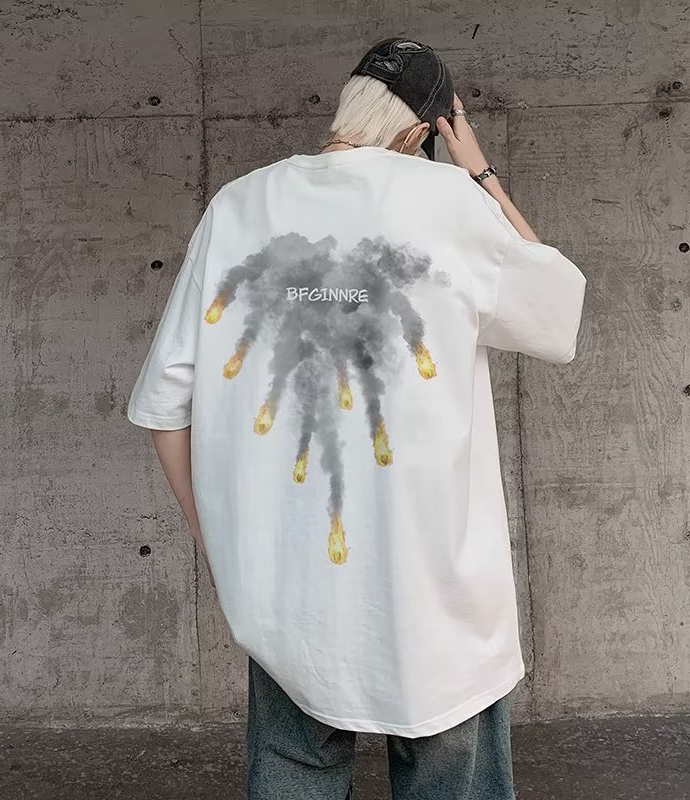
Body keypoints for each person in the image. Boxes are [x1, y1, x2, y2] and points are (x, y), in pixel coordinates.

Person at [126, 36, 586, 800]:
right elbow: (558, 311)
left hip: (288, 592)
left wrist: (219, 536)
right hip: (437, 599)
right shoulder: (451, 202)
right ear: (425, 132)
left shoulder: (237, 205)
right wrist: (481, 174)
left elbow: (165, 405)